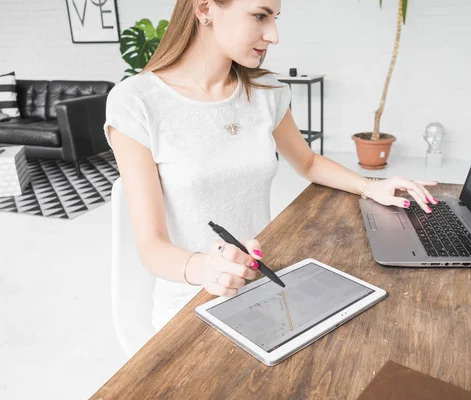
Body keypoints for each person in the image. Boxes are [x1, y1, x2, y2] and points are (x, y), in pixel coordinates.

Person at [104, 0, 437, 331]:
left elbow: (307, 162)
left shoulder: (265, 90)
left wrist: (370, 185)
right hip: (192, 299)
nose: (274, 35)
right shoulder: (137, 102)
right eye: (260, 16)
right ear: (205, 9)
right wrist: (207, 269)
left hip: (264, 285)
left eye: (275, 18)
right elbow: (152, 247)